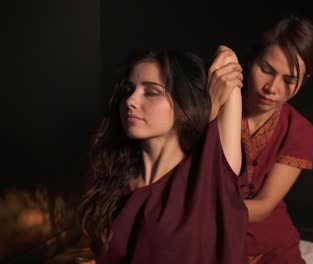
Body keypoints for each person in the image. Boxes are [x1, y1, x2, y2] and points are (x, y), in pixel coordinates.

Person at [78, 47, 247, 263]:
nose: (131, 101)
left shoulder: (209, 171)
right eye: (128, 90)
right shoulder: (116, 183)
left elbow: (227, 56)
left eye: (151, 92)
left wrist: (208, 105)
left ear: (183, 102)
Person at [210, 14, 313, 263]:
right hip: (211, 237)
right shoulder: (215, 104)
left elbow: (263, 206)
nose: (272, 87)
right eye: (266, 70)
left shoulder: (300, 130)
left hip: (272, 246)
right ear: (251, 60)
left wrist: (200, 208)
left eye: (289, 80)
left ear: (304, 81)